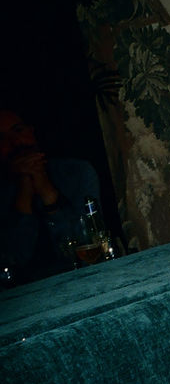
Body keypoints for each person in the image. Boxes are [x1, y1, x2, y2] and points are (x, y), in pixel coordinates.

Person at [0, 109, 101, 283]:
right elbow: (12, 264)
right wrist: (24, 193)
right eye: (2, 138)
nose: (16, 142)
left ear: (31, 131)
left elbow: (89, 248)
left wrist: (48, 194)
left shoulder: (76, 172)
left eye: (18, 131)